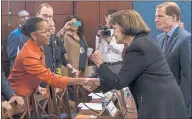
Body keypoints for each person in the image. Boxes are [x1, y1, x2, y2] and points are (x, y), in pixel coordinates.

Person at [91, 10, 188, 118]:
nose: (112, 33)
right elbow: (127, 76)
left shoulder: (137, 47)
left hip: (159, 103)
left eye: (114, 28)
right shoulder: (142, 41)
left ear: (125, 27)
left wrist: (99, 63)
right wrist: (101, 81)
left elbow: (118, 82)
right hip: (163, 100)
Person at [8, 17, 98, 98]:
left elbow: (32, 74)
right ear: (34, 35)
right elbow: (50, 77)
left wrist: (36, 86)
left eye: (49, 30)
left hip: (30, 92)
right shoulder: (29, 55)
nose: (49, 34)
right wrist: (81, 81)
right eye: (45, 31)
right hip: (19, 97)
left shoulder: (37, 47)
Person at [155, 2, 191, 118]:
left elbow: (188, 77)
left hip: (178, 104)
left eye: (160, 16)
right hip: (162, 102)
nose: (156, 20)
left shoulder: (186, 39)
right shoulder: (159, 38)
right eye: (156, 16)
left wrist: (183, 107)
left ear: (173, 17)